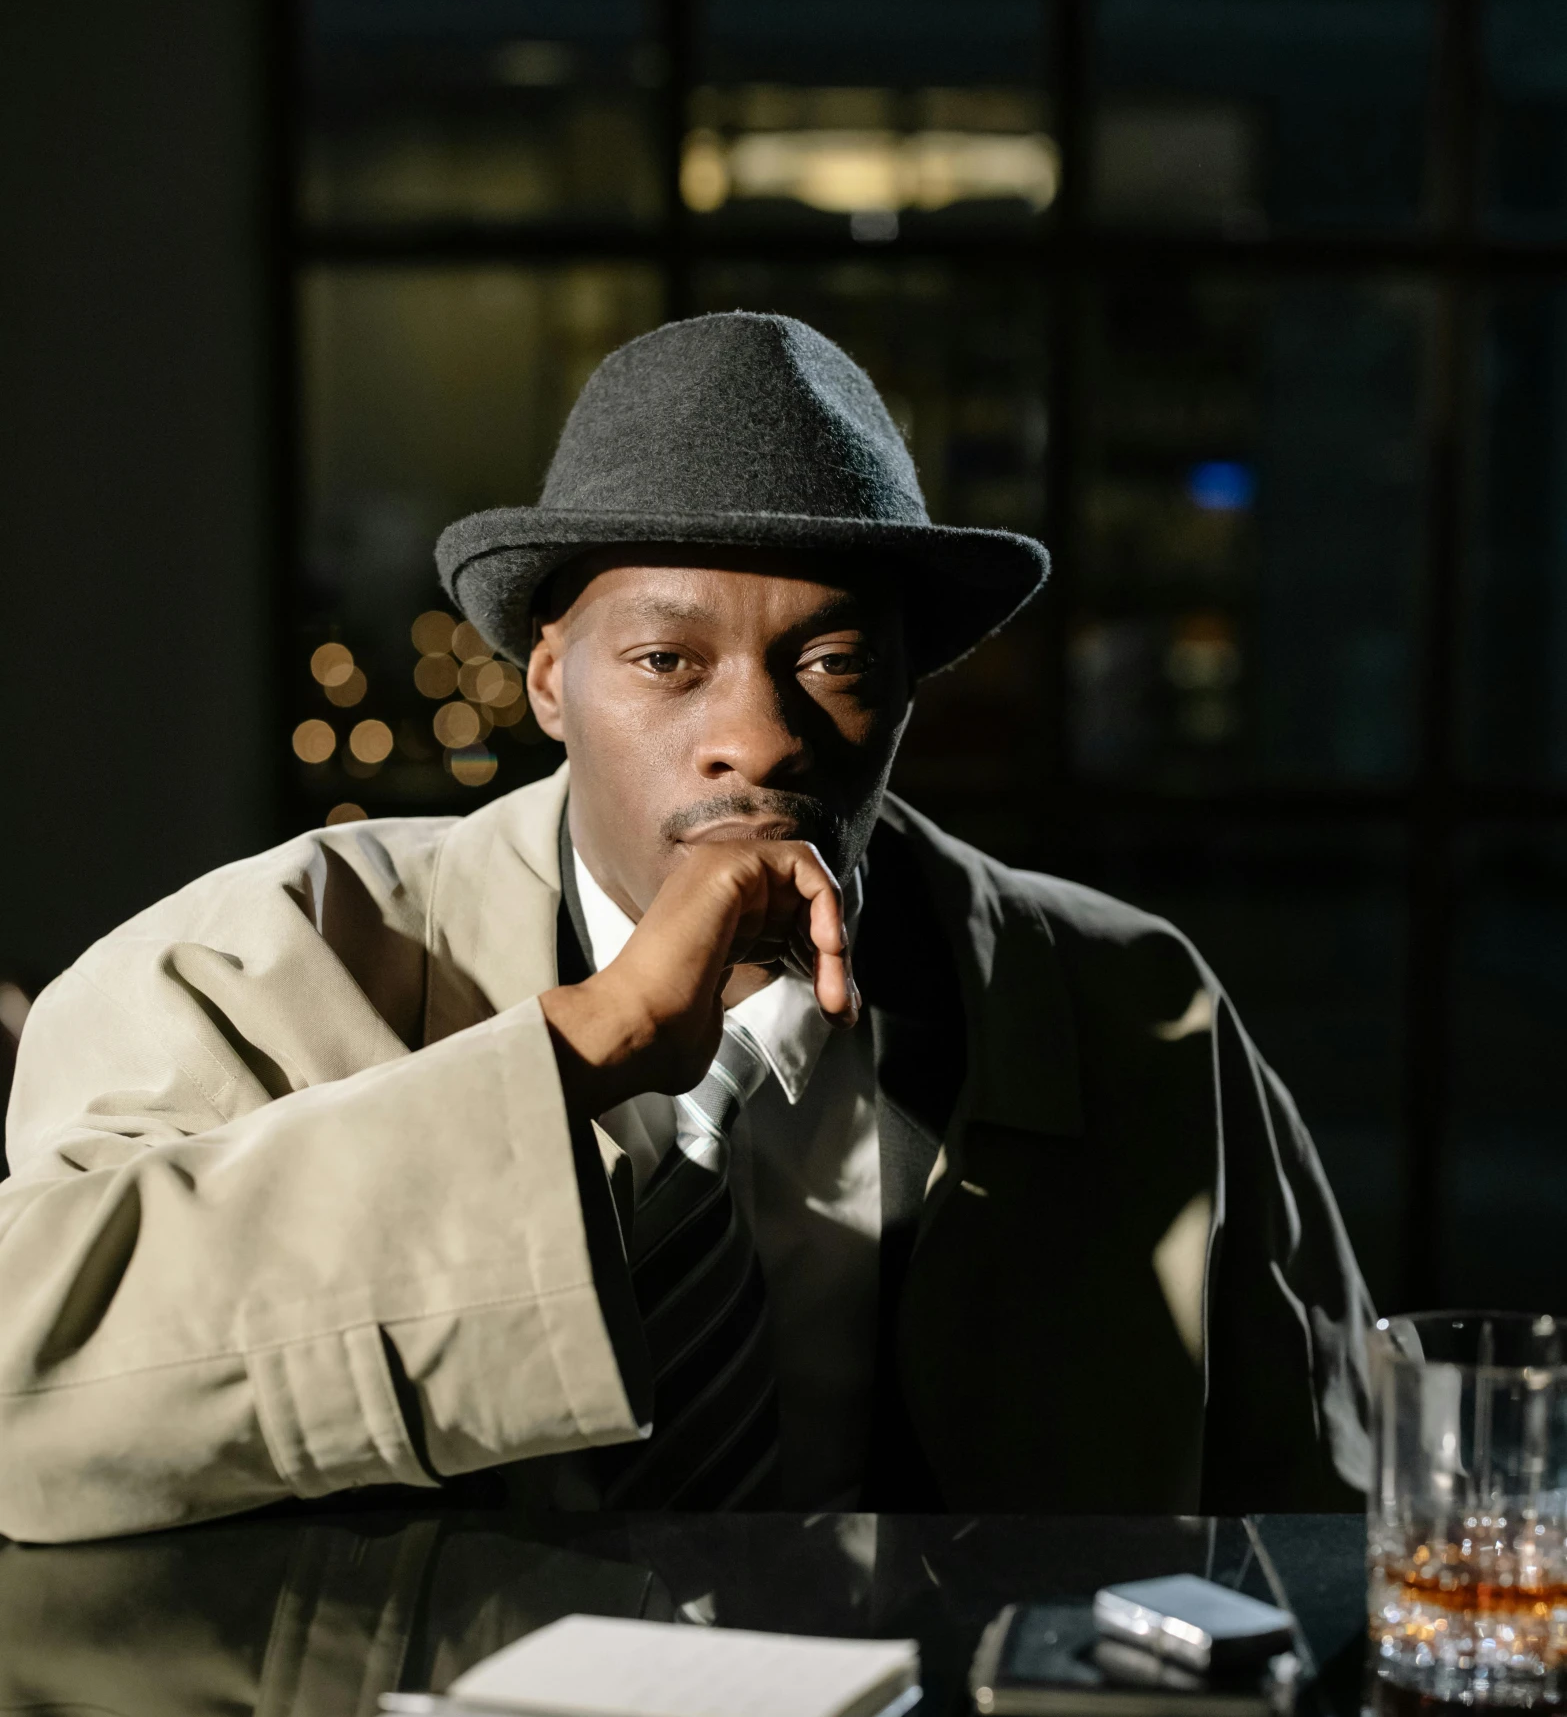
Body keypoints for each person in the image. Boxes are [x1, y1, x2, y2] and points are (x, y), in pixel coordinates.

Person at [0, 313, 1370, 1542]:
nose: (755, 738)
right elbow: (26, 1395)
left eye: (832, 664)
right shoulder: (262, 962)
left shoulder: (1126, 1002)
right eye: (667, 661)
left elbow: (1330, 1521)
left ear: (905, 695)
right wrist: (578, 1048)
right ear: (548, 680)